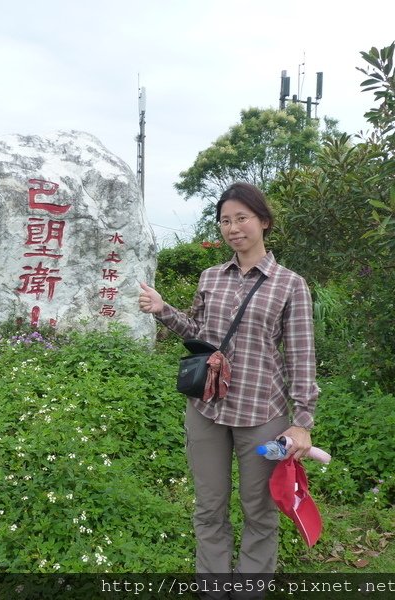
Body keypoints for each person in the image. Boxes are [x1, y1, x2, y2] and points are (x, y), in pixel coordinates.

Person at [139, 182, 318, 599]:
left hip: (262, 416)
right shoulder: (210, 277)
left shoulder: (290, 284)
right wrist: (163, 310)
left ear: (263, 222)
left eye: (242, 218)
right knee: (208, 506)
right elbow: (200, 337)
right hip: (206, 411)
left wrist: (303, 422)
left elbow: (301, 357)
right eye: (225, 220)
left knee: (259, 509)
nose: (233, 227)